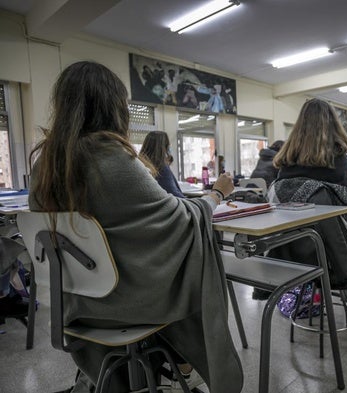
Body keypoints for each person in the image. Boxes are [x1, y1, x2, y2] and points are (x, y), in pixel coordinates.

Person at [27, 61, 243, 393]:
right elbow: (180, 219)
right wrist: (215, 195)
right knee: (194, 254)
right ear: (115, 108)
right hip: (123, 304)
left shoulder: (44, 166)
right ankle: (185, 362)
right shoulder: (113, 159)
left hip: (76, 305)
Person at [267, 98, 347, 299]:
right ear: (333, 124)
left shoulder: (287, 159)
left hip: (288, 254)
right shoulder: (338, 158)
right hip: (331, 258)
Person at [139, 131, 185, 198]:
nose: (169, 147)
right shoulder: (162, 168)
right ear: (164, 147)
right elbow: (175, 195)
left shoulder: (140, 165)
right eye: (168, 145)